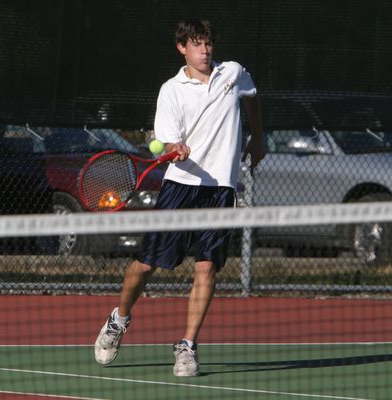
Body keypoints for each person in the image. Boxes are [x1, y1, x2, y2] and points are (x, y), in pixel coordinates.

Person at [94, 18, 265, 377]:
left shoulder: (233, 73)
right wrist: (176, 148)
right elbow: (169, 140)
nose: (205, 51)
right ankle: (118, 319)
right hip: (181, 187)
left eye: (208, 44)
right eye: (197, 45)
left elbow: (252, 98)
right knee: (145, 264)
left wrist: (258, 137)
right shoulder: (171, 89)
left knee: (207, 267)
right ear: (182, 48)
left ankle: (187, 346)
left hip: (221, 189)